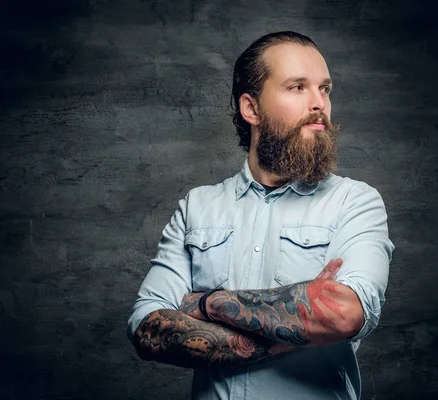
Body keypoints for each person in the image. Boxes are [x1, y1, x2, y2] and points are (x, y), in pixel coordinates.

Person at [127, 31, 394, 400]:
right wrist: (297, 326)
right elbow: (148, 329)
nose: (319, 103)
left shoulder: (355, 202)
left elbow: (342, 314)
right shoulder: (198, 206)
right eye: (297, 87)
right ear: (251, 108)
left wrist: (204, 304)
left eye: (325, 89)